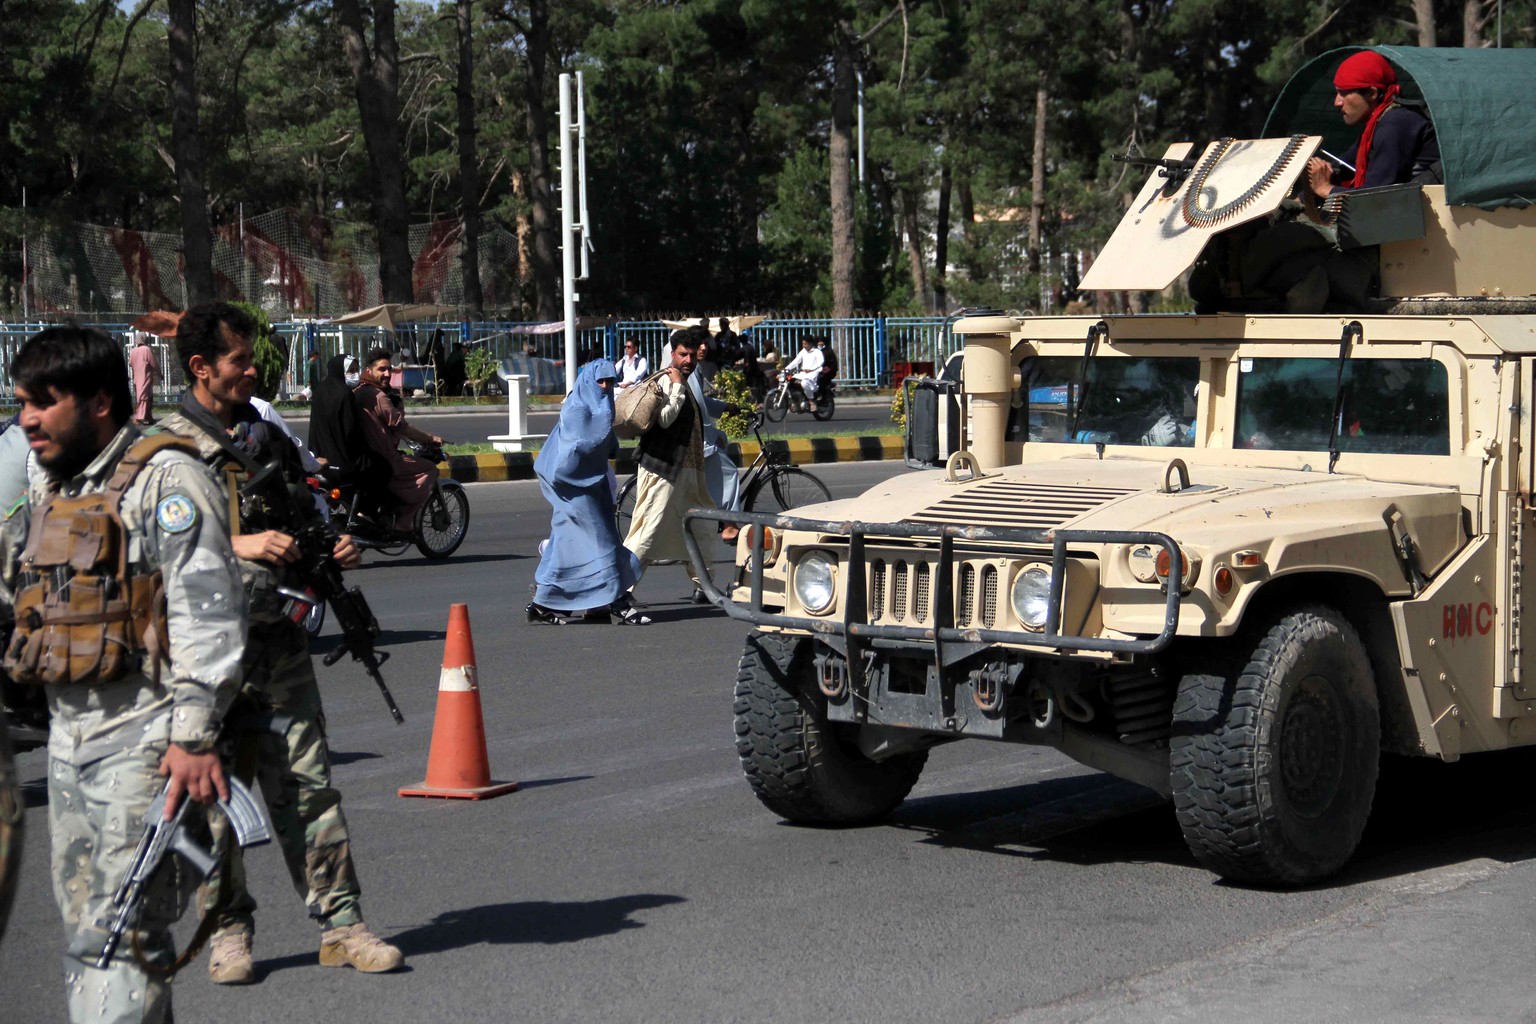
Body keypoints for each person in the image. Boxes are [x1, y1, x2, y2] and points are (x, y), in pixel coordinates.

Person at [3, 323, 248, 1023]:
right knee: (91, 934)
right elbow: (21, 580)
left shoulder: (169, 479)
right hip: (69, 739)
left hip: (146, 741)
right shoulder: (61, 483)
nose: (27, 420)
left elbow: (210, 613)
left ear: (102, 401)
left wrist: (193, 737)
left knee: (120, 937)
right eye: (22, 403)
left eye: (43, 403)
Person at [160, 303, 404, 985]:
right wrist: (236, 544)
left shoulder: (266, 435)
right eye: (239, 359)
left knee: (308, 787)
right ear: (202, 367)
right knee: (214, 800)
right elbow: (149, 552)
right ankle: (228, 932)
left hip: (277, 645)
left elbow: (307, 513)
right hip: (203, 659)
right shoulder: (166, 449)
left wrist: (335, 548)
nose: (253, 369)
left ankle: (342, 922)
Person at [527, 360, 649, 625]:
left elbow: (606, 441)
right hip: (569, 483)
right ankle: (618, 601)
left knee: (564, 544)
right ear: (588, 381)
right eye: (600, 382)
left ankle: (541, 605)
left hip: (593, 481)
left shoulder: (603, 404)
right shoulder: (577, 406)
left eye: (610, 382)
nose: (605, 387)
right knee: (601, 541)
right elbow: (574, 446)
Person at [623, 329, 716, 593]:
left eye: (691, 354)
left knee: (699, 529)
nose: (688, 360)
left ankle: (706, 587)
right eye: (682, 354)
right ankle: (619, 589)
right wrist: (675, 387)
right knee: (648, 532)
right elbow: (665, 419)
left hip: (689, 472)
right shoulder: (667, 381)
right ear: (672, 354)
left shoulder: (688, 381)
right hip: (664, 470)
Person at [1305, 50, 1439, 201]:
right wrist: (1302, 199)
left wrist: (1324, 189)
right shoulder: (1378, 122)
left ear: (1372, 93)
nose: (1337, 102)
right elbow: (1343, 166)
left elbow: (1375, 196)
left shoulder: (1395, 124)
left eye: (1343, 93)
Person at [354, 347, 444, 532]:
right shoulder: (378, 396)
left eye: (389, 369)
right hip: (386, 459)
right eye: (381, 369)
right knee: (429, 469)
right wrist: (429, 437)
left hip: (364, 456)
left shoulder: (357, 391)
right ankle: (403, 522)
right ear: (369, 370)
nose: (387, 374)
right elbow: (401, 426)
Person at [308, 354, 391, 516]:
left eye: (355, 370)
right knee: (383, 468)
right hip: (344, 461)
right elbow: (351, 433)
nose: (355, 374)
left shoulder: (320, 391)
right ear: (340, 370)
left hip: (321, 458)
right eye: (351, 370)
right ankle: (367, 515)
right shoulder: (345, 394)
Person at [781, 336, 826, 410]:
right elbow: (796, 361)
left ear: (811, 344)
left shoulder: (817, 352)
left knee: (804, 383)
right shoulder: (803, 351)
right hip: (803, 373)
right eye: (803, 344)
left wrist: (811, 369)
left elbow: (820, 362)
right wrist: (786, 369)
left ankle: (811, 401)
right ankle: (795, 401)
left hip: (813, 373)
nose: (804, 345)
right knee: (789, 380)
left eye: (805, 344)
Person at [129, 333, 159, 424]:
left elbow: (130, 363)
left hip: (137, 378)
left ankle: (148, 417)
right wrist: (159, 373)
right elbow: (153, 363)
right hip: (145, 377)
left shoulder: (133, 351)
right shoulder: (146, 350)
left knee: (144, 397)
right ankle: (138, 417)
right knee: (144, 397)